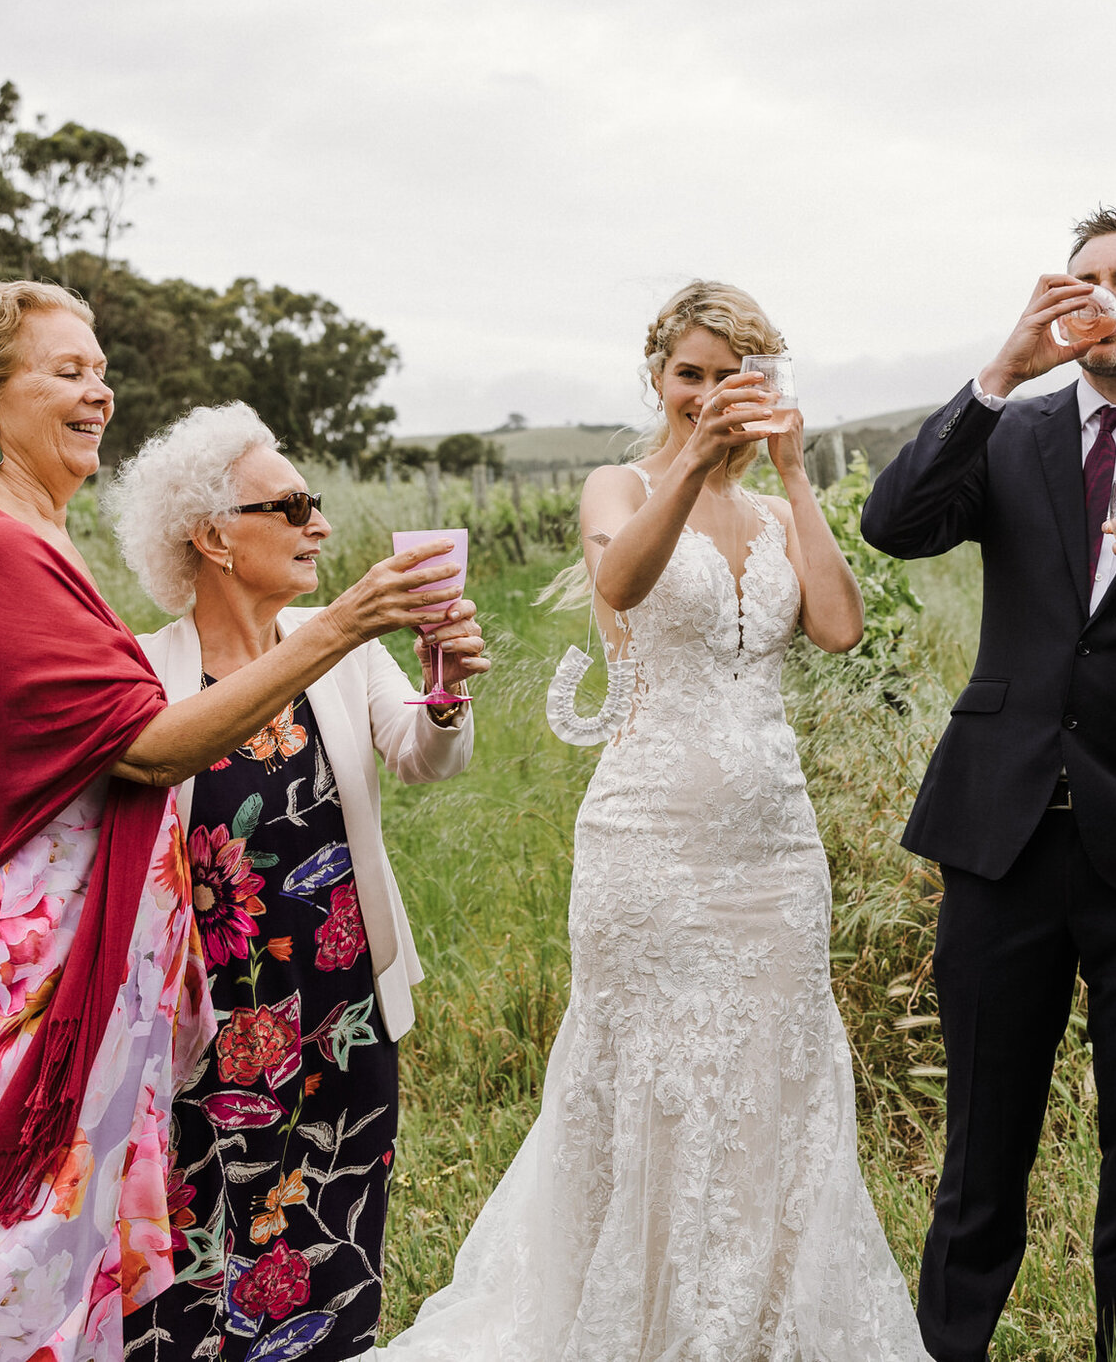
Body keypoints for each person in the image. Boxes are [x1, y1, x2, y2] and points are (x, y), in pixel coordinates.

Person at [0, 282, 454, 1362]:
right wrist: (349, 619)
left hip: (111, 994)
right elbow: (140, 744)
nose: (98, 390)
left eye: (100, 367)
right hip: (11, 1000)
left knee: (14, 1296)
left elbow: (14, 743)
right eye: (65, 370)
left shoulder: (35, 545)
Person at [378, 281, 925, 1360]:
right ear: (658, 377)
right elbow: (621, 583)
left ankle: (760, 1319)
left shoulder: (775, 508)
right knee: (652, 1078)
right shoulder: (616, 482)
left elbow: (840, 627)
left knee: (774, 1071)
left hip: (773, 848)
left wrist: (791, 473)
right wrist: (686, 460)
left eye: (735, 375)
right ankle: (625, 1318)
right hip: (648, 843)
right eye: (692, 373)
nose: (710, 392)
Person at [860, 209, 1116, 1362]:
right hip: (1000, 836)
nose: (1103, 294)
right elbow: (892, 526)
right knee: (980, 1143)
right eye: (1082, 276)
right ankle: (951, 1347)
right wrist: (998, 371)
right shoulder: (1011, 429)